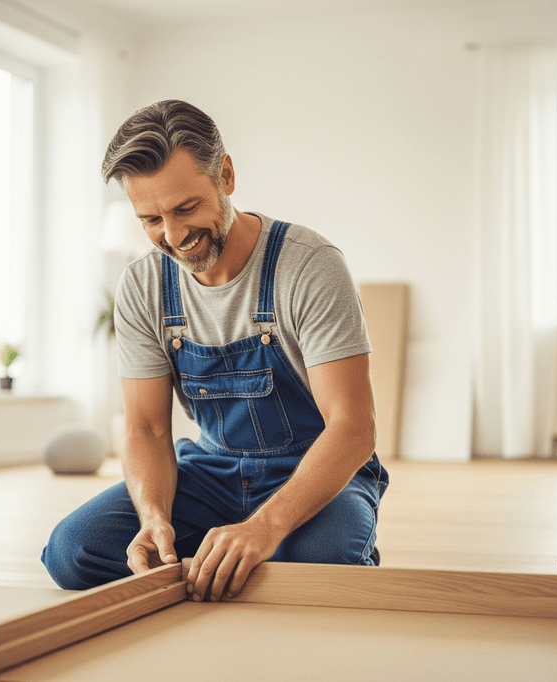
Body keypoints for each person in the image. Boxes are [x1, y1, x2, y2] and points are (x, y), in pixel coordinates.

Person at [41, 100, 388, 602]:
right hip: (212, 471)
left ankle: (254, 555)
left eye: (186, 208)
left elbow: (354, 428)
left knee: (321, 565)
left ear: (225, 174)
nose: (175, 236)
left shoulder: (309, 266)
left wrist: (265, 527)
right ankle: (221, 560)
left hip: (314, 470)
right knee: (73, 551)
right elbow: (147, 428)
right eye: (151, 219)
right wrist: (155, 516)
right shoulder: (143, 286)